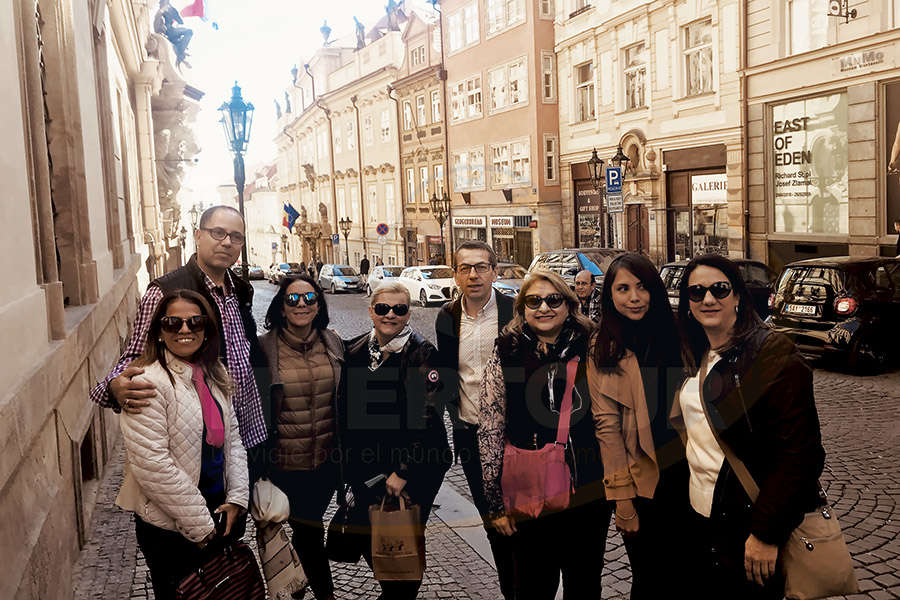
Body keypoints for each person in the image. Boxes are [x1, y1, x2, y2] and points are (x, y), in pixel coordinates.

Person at [672, 254, 825, 599]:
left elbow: (801, 455)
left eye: (719, 289)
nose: (708, 299)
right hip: (700, 517)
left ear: (738, 297)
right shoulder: (695, 353)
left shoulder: (773, 354)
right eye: (696, 292)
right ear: (687, 304)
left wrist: (766, 533)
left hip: (748, 524)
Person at [90, 205, 270, 481]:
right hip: (195, 445)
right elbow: (136, 354)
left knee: (234, 519)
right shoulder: (165, 291)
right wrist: (114, 387)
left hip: (245, 434)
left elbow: (244, 357)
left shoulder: (240, 290)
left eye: (236, 237)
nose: (227, 242)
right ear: (198, 235)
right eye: (218, 232)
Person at [479, 270, 609, 600]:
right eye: (534, 300)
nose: (544, 308)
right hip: (530, 488)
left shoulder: (592, 344)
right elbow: (491, 423)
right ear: (522, 307)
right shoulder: (506, 349)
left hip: (587, 487)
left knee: (584, 584)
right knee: (534, 585)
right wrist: (494, 502)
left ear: (569, 304)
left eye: (553, 300)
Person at [116, 290, 249, 599]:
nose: (185, 330)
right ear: (159, 333)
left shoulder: (215, 375)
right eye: (173, 323)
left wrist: (237, 498)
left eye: (195, 321)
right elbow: (153, 465)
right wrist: (202, 527)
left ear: (207, 329)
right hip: (171, 528)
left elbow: (233, 443)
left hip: (219, 512)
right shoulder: (146, 382)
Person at [340, 282, 451, 599]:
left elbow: (427, 419)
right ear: (371, 310)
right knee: (369, 535)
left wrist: (403, 472)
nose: (391, 314)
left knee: (404, 537)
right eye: (383, 308)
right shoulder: (356, 350)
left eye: (399, 309)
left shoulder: (424, 354)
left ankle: (399, 594)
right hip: (370, 464)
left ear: (408, 313)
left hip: (417, 467)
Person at [587, 253, 687, 599]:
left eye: (642, 287)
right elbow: (606, 427)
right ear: (610, 295)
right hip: (645, 482)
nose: (634, 297)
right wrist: (622, 500)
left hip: (693, 476)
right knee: (650, 578)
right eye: (623, 288)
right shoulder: (603, 347)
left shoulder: (680, 333)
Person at [434, 241, 516, 599]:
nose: (474, 275)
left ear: (494, 272)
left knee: (524, 519)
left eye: (481, 267)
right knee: (492, 520)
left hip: (516, 436)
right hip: (470, 434)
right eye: (465, 268)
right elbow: (448, 374)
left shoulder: (515, 311)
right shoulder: (446, 318)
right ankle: (510, 589)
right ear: (455, 274)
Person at [258, 275, 342, 600]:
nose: (301, 304)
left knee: (309, 529)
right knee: (308, 532)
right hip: (283, 465)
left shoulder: (332, 342)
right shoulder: (265, 348)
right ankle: (323, 594)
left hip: (325, 463)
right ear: (281, 307)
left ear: (319, 305)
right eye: (292, 299)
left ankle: (294, 586)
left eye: (309, 298)